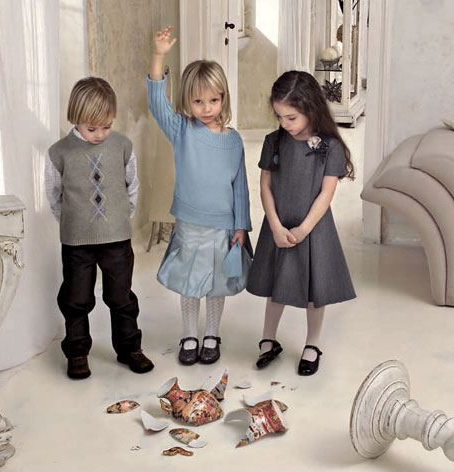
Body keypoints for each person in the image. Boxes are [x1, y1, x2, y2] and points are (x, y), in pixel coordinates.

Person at [146, 26, 251, 365]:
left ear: (224, 98)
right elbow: (156, 103)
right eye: (198, 101)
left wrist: (241, 225)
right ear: (187, 101)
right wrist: (158, 55)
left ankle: (212, 334)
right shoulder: (182, 130)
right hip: (190, 224)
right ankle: (190, 334)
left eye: (213, 100)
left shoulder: (233, 140)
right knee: (191, 282)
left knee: (217, 283)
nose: (206, 108)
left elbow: (240, 186)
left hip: (223, 227)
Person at [246, 70, 356, 376]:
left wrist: (304, 228)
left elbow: (327, 192)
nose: (284, 123)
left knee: (313, 290)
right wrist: (275, 225)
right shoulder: (274, 142)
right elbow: (265, 185)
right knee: (276, 285)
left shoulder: (329, 146)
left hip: (313, 228)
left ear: (310, 108)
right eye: (279, 116)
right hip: (279, 225)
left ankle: (312, 343)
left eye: (291, 117)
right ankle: (268, 339)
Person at [45, 77, 154, 379]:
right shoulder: (59, 152)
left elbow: (132, 185)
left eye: (106, 126)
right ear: (75, 118)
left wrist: (121, 218)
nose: (100, 134)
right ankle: (77, 352)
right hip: (76, 242)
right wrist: (72, 223)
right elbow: (54, 195)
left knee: (122, 297)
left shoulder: (122, 146)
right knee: (76, 299)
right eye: (91, 128)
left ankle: (129, 348)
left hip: (117, 239)